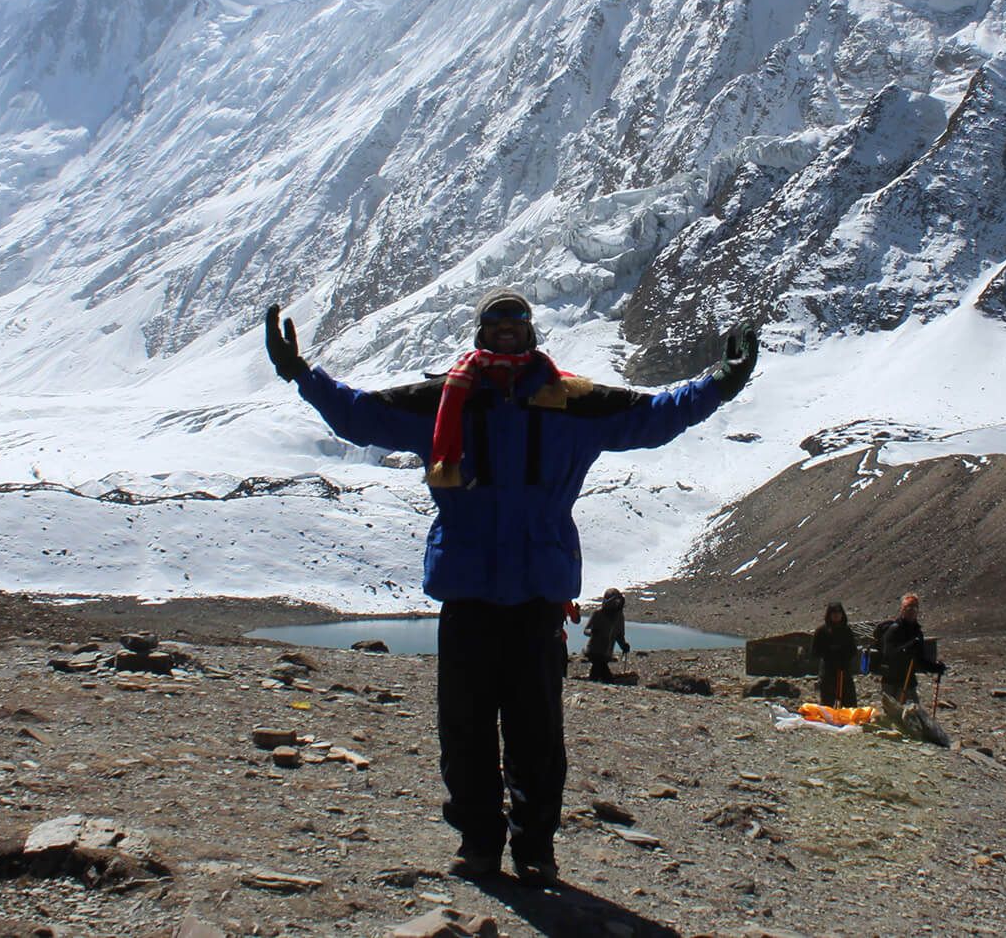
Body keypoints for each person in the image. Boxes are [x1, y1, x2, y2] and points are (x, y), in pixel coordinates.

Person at [265, 289, 756, 886]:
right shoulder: (442, 399)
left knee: (537, 732)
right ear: (480, 333)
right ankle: (477, 842)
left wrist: (722, 383)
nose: (505, 332)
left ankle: (534, 849)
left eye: (515, 322)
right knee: (464, 728)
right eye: (495, 323)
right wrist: (302, 375)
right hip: (469, 593)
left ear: (531, 333)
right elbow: (360, 415)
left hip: (535, 597)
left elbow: (654, 417)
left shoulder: (574, 402)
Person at [876, 591, 944, 703]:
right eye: (908, 608)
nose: (911, 611)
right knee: (894, 716)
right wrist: (907, 648)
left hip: (908, 680)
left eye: (914, 608)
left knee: (912, 714)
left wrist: (935, 668)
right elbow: (888, 654)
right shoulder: (894, 629)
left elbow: (919, 659)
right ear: (902, 610)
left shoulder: (917, 631)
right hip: (892, 681)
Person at [812, 600, 857, 707]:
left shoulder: (847, 630)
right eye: (834, 613)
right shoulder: (821, 631)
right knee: (827, 704)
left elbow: (853, 650)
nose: (836, 615)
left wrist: (844, 656)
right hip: (828, 671)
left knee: (849, 703)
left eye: (839, 612)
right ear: (829, 614)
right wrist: (831, 652)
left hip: (844, 670)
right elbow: (815, 651)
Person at [582, 587, 631, 681]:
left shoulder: (619, 617)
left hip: (607, 652)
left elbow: (619, 635)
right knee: (602, 671)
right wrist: (592, 632)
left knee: (597, 671)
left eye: (617, 602)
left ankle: (592, 685)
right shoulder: (597, 613)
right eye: (613, 602)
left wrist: (623, 645)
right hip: (594, 650)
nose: (615, 604)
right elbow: (586, 630)